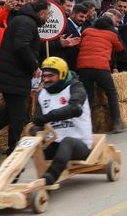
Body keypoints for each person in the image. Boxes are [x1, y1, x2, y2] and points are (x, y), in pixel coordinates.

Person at [0, 0, 49, 153]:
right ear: (41, 13)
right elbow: (21, 45)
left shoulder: (24, 20)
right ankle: (14, 148)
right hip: (14, 76)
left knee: (10, 112)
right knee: (19, 114)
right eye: (48, 14)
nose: (48, 18)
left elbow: (30, 45)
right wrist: (34, 67)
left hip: (12, 75)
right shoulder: (26, 22)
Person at [31, 57, 93, 185]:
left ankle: (51, 177)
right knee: (26, 143)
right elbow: (38, 121)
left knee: (67, 142)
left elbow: (75, 109)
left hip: (79, 143)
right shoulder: (42, 94)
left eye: (51, 76)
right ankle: (6, 177)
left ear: (62, 74)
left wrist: (48, 117)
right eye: (45, 75)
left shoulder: (76, 87)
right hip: (53, 142)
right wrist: (35, 132)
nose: (46, 79)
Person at [77, 12, 125, 133]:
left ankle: (86, 127)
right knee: (111, 93)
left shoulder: (86, 31)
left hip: (83, 67)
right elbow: (120, 48)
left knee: (87, 97)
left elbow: (80, 45)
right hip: (101, 67)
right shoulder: (112, 33)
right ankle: (116, 123)